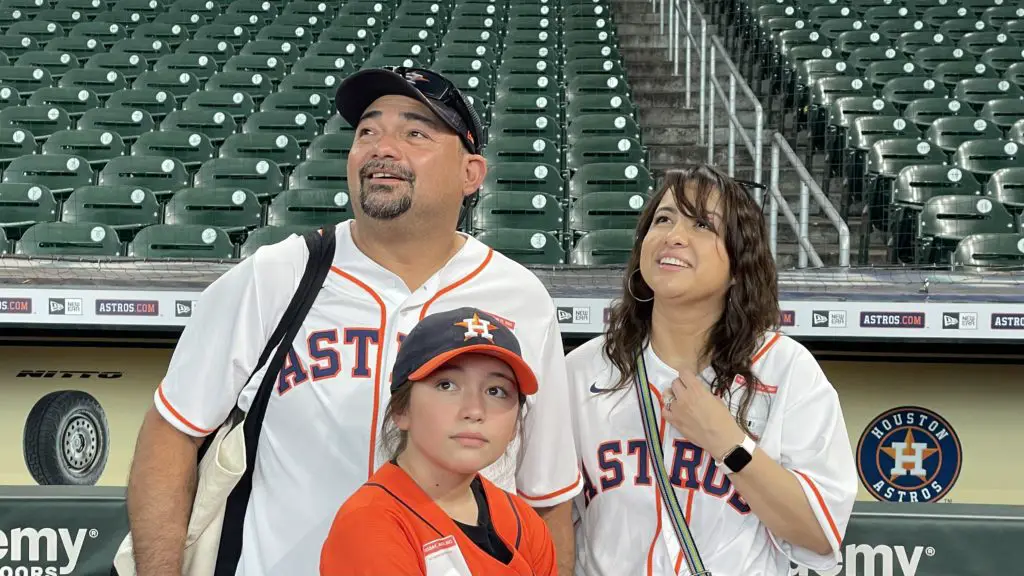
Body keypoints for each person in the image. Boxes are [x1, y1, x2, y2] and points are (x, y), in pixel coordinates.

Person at [124, 67, 581, 576]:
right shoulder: (276, 275)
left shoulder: (520, 297)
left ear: (470, 173)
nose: (382, 147)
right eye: (367, 131)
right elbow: (172, 433)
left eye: (415, 132)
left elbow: (547, 494)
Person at [565, 164, 858, 576]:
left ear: (740, 264)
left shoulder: (786, 368)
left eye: (703, 224)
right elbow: (551, 517)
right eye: (663, 219)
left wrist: (728, 442)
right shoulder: (583, 371)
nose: (674, 236)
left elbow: (820, 533)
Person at [320, 307, 557, 575]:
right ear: (402, 410)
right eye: (447, 385)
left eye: (496, 391)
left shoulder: (524, 522)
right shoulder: (369, 525)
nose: (475, 410)